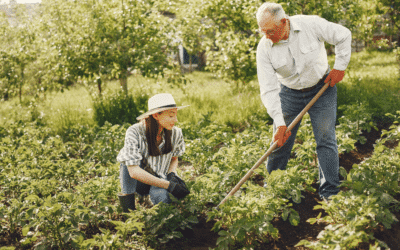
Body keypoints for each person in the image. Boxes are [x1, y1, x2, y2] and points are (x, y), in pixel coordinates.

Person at [255, 2, 351, 201]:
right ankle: (272, 191)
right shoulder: (264, 47)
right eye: (262, 31)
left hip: (322, 87)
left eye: (270, 31)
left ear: (284, 22)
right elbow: (269, 88)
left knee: (325, 138)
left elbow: (343, 35)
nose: (266, 36)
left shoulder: (310, 24)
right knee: (280, 141)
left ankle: (330, 193)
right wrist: (280, 123)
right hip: (288, 93)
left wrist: (340, 66)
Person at [117, 93, 190, 212]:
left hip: (160, 180)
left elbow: (174, 158)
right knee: (126, 161)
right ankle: (128, 210)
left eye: (176, 115)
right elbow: (133, 171)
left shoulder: (176, 133)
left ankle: (150, 199)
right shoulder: (135, 132)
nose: (176, 120)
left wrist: (171, 174)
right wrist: (169, 186)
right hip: (139, 182)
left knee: (163, 201)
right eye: (171, 116)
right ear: (156, 115)